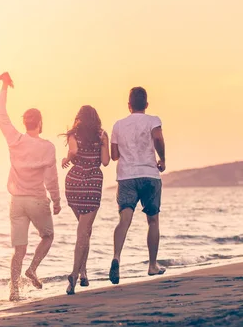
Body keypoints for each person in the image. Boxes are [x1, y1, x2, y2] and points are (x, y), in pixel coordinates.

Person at [0, 73, 62, 301]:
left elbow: (0, 115)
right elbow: (51, 178)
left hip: (16, 202)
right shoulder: (47, 147)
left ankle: (14, 289)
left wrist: (4, 87)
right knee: (48, 236)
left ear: (24, 123)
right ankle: (33, 269)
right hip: (36, 199)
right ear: (40, 123)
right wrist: (57, 200)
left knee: (18, 249)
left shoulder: (15, 139)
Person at [109, 86, 166, 285]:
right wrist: (162, 159)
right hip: (149, 174)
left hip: (126, 176)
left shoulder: (118, 125)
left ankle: (116, 257)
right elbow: (158, 138)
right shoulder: (153, 120)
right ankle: (152, 265)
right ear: (146, 105)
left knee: (124, 219)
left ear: (129, 105)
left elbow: (114, 156)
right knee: (153, 220)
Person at [61, 106, 110, 295]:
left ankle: (83, 273)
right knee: (83, 231)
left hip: (73, 183)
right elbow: (105, 162)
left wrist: (67, 158)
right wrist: (103, 144)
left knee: (84, 231)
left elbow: (73, 151)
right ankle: (74, 274)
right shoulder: (101, 134)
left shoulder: (73, 134)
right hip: (92, 183)